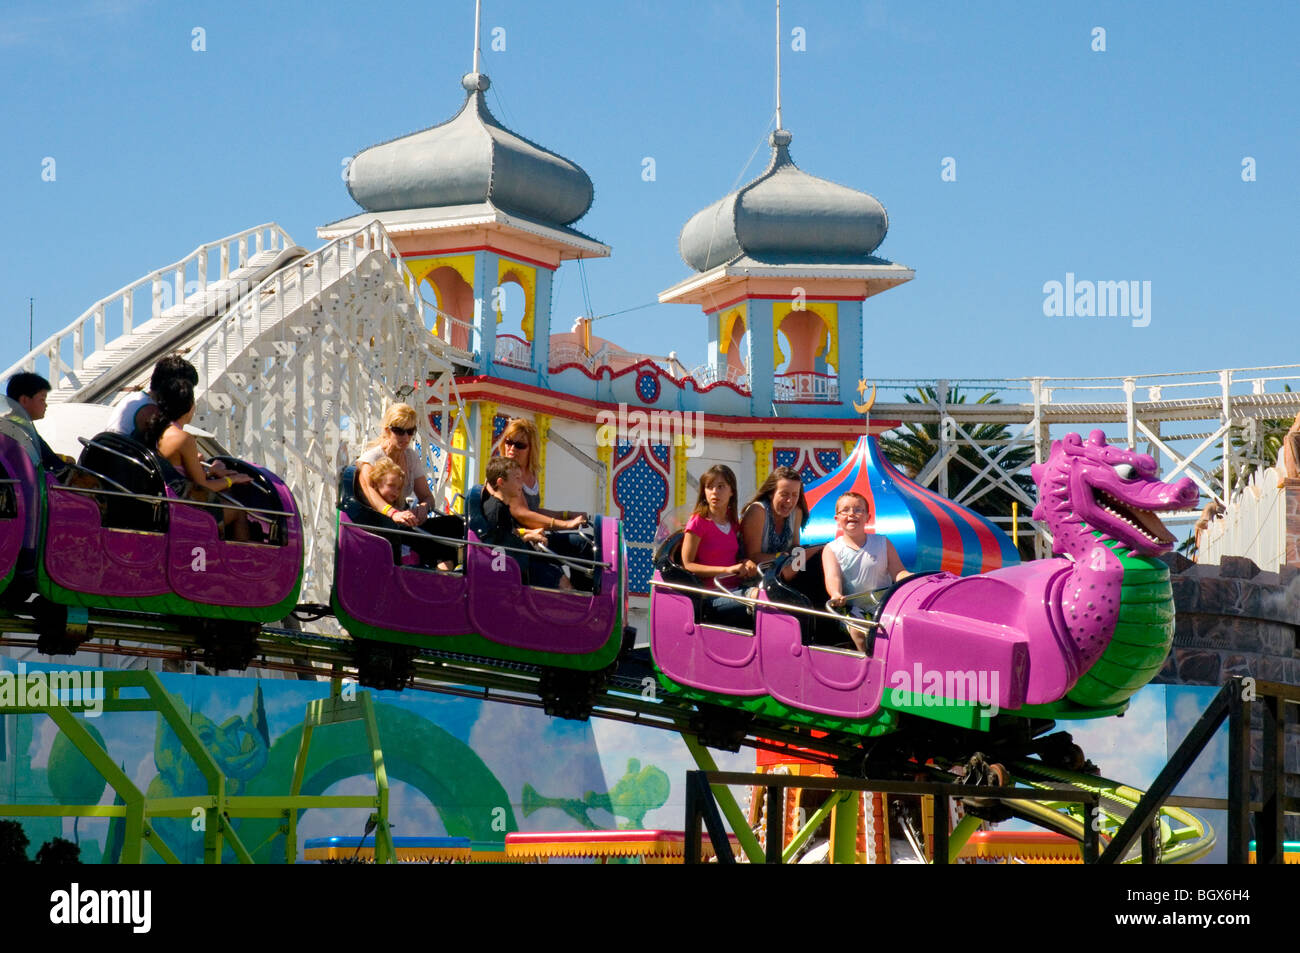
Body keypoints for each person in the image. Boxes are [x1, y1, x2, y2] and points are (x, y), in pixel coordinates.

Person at [356, 403, 463, 568]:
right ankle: (439, 571)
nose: (405, 437)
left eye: (410, 431)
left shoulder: (410, 456)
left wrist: (423, 508)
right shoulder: (371, 458)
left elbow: (427, 496)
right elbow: (369, 492)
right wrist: (392, 513)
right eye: (399, 431)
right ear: (387, 430)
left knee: (456, 525)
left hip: (405, 520)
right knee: (434, 545)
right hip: (381, 523)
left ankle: (444, 573)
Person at [151, 378, 253, 540]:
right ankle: (243, 561)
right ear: (190, 407)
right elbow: (203, 486)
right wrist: (232, 480)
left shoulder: (157, 430)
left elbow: (177, 469)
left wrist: (210, 470)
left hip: (168, 496)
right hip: (184, 506)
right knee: (237, 510)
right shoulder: (183, 438)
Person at [822, 491, 910, 652]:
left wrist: (912, 578)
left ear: (867, 517)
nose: (852, 514)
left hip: (884, 605)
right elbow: (832, 577)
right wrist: (835, 593)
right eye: (845, 510)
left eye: (858, 510)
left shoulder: (883, 542)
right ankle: (870, 665)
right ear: (837, 519)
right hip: (853, 607)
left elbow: (898, 572)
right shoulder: (832, 549)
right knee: (859, 631)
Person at [681, 464, 758, 626]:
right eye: (710, 487)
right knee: (756, 596)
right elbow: (687, 565)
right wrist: (726, 570)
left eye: (721, 487)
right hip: (711, 596)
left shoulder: (733, 522)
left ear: (732, 491)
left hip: (734, 589)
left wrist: (745, 563)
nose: (715, 492)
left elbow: (734, 557)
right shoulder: (698, 522)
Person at [479, 456, 571, 590]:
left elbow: (509, 532)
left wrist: (529, 532)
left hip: (515, 560)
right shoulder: (496, 510)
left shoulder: (503, 508)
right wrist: (529, 537)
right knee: (562, 581)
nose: (521, 484)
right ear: (501, 483)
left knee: (557, 568)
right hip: (508, 567)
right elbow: (501, 544)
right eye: (517, 479)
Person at [741, 466, 812, 580]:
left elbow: (795, 546)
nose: (789, 501)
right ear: (771, 493)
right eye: (784, 494)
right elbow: (753, 556)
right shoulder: (758, 511)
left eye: (795, 495)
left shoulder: (797, 512)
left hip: (782, 575)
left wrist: (803, 554)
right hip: (753, 578)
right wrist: (780, 557)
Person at [5, 372, 65, 472]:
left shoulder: (7, 426)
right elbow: (53, 464)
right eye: (42, 399)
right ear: (24, 400)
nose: (46, 405)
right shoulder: (22, 430)